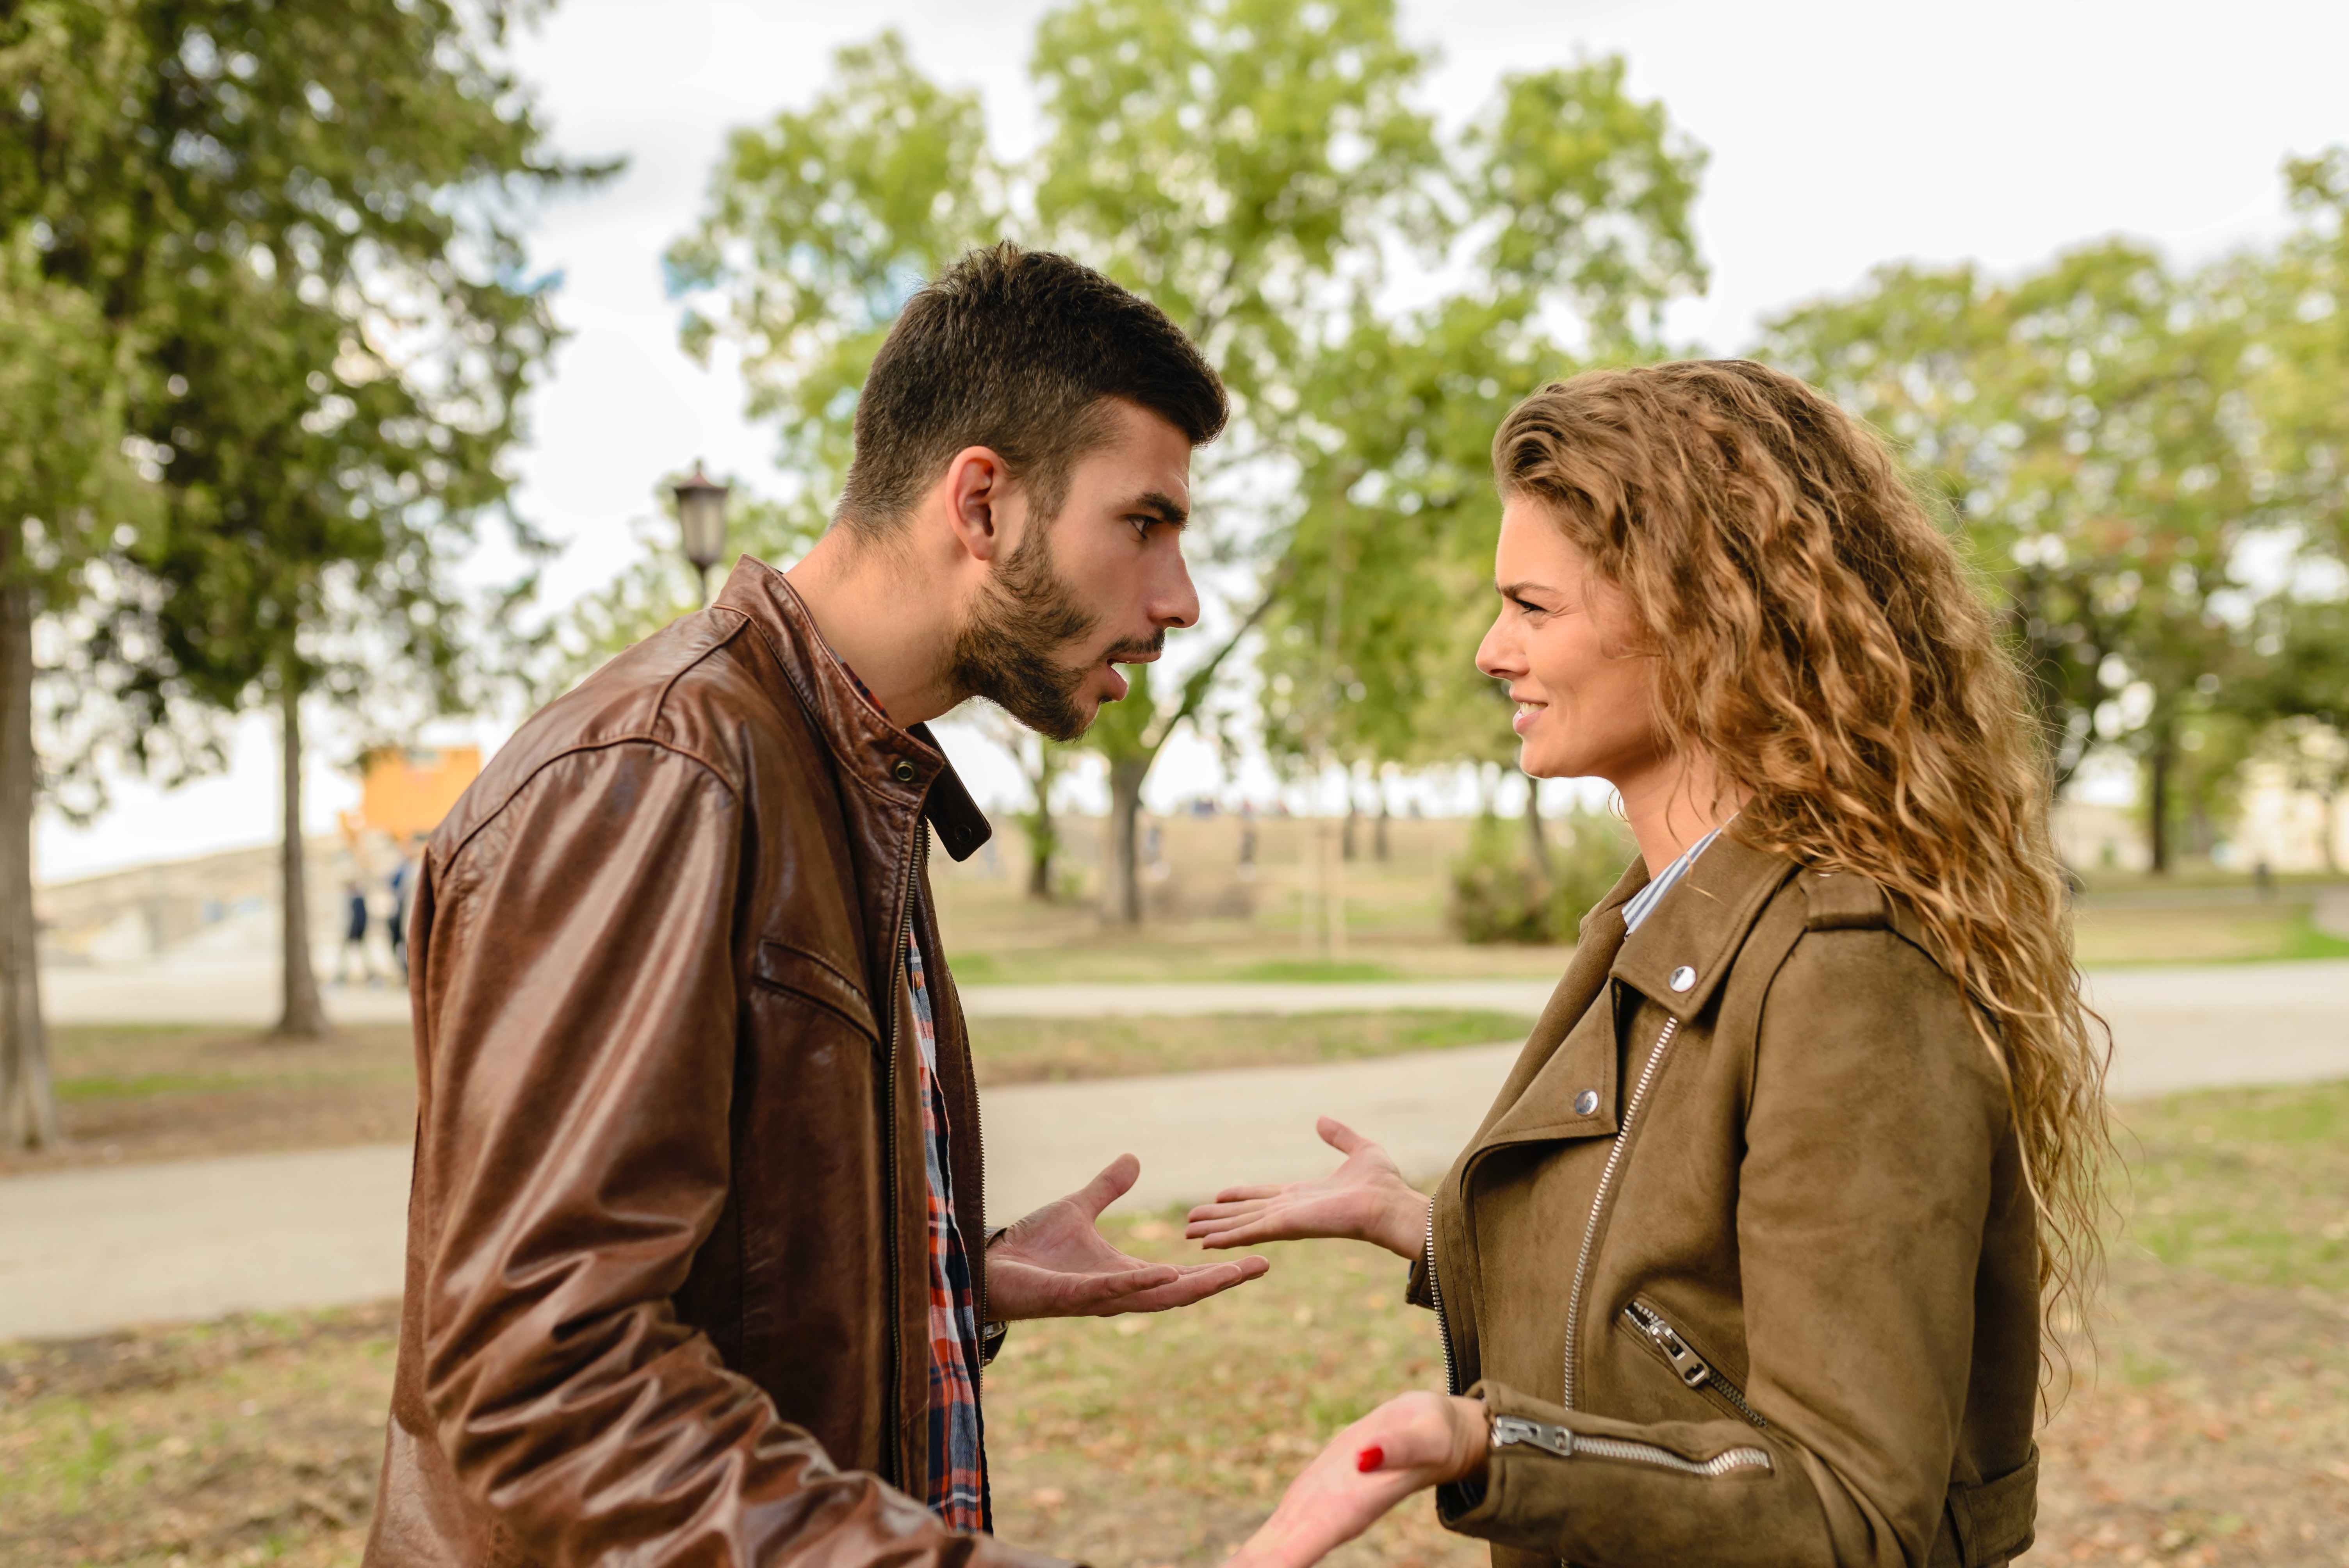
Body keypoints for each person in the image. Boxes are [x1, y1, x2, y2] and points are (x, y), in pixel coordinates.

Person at [363, 243, 1270, 1568]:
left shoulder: (851, 772)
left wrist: (950, 1279)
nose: (1178, 601)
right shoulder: (660, 774)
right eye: (1145, 524)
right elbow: (542, 1385)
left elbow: (725, 1275)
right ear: (982, 504)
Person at [1200, 361, 2107, 1568]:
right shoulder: (1663, 917)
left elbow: (1853, 1513)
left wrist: (1484, 1448)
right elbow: (1676, 1309)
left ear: (1701, 618)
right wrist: (1429, 1233)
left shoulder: (1847, 970)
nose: (1489, 651)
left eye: (1533, 607)